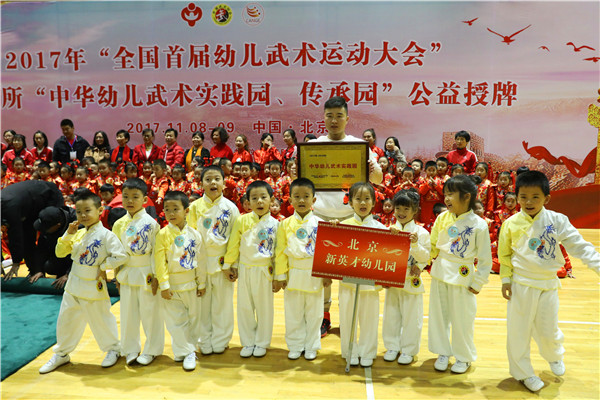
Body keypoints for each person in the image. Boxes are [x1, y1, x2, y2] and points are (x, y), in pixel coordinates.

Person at [498, 171, 599, 392]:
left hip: (548, 284)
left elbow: (579, 245)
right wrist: (505, 279)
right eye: (523, 197)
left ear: (547, 198)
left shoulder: (557, 220)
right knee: (518, 331)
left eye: (535, 197)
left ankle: (554, 355)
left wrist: (597, 264)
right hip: (521, 284)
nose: (529, 202)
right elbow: (504, 255)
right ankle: (524, 373)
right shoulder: (511, 224)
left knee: (548, 328)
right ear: (516, 197)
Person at [311, 96, 383, 337]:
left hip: (351, 218)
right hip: (321, 215)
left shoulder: (358, 146)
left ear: (347, 118)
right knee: (322, 274)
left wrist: (373, 169)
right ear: (324, 118)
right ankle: (324, 317)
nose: (334, 120)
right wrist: (294, 171)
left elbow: (378, 179)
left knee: (352, 272)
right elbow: (302, 180)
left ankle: (351, 317)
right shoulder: (315, 146)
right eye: (329, 116)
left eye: (339, 116)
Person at [38, 189, 127, 373]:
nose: (83, 215)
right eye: (79, 212)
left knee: (101, 320)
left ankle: (113, 349)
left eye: (87, 210)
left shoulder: (107, 235)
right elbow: (60, 253)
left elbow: (121, 256)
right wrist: (68, 235)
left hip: (94, 284)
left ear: (100, 210)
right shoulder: (77, 233)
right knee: (66, 320)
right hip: (74, 284)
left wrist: (103, 266)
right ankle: (62, 353)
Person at [428, 175, 492, 373]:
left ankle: (463, 357)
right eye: (445, 194)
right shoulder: (442, 218)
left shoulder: (479, 224)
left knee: (463, 319)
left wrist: (478, 281)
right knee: (439, 316)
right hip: (440, 271)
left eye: (451, 194)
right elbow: (432, 245)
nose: (446, 199)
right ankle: (442, 352)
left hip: (463, 275)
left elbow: (485, 259)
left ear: (466, 197)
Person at [273, 178, 331, 360]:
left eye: (306, 196)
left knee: (314, 313)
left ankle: (312, 345)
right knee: (293, 312)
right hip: (293, 272)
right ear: (290, 200)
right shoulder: (284, 224)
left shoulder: (321, 223)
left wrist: (326, 274)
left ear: (314, 200)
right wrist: (280, 276)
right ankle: (295, 345)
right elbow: (280, 252)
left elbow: (325, 251)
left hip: (314, 272)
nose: (301, 200)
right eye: (297, 196)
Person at [187, 165, 240, 355]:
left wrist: (231, 264)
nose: (213, 183)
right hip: (200, 263)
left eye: (217, 179)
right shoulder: (194, 207)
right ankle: (204, 340)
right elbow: (190, 237)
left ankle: (221, 339)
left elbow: (235, 239)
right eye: (208, 179)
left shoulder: (231, 208)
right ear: (201, 183)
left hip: (223, 263)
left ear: (224, 183)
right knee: (202, 305)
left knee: (222, 305)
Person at [223, 180, 279, 358]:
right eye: (254, 198)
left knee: (264, 308)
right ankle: (247, 342)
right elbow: (234, 245)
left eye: (263, 197)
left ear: (272, 200)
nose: (259, 201)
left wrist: (279, 276)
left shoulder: (276, 224)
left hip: (265, 270)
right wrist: (229, 265)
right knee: (245, 307)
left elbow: (278, 252)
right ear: (248, 203)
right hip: (245, 268)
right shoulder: (242, 221)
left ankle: (262, 342)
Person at [112, 178, 163, 366]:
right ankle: (130, 349)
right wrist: (117, 276)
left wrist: (157, 276)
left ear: (145, 199)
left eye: (135, 197)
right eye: (126, 197)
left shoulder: (151, 223)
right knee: (127, 314)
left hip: (147, 272)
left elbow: (157, 252)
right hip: (126, 272)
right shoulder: (119, 224)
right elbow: (116, 253)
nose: (130, 201)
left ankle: (152, 349)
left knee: (150, 314)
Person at [154, 191, 207, 371]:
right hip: (172, 285)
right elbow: (160, 262)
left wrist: (202, 283)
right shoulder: (162, 234)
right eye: (167, 209)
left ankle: (186, 350)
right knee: (175, 322)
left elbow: (201, 260)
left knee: (193, 319)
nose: (171, 213)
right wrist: (164, 285)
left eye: (175, 209)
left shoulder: (195, 235)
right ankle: (188, 352)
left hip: (191, 283)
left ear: (186, 210)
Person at [337, 182, 385, 367]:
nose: (362, 203)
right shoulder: (342, 226)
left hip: (370, 284)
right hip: (347, 282)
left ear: (374, 202)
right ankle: (349, 351)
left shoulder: (381, 229)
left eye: (367, 199)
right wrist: (333, 231)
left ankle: (367, 352)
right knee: (347, 319)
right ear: (350, 202)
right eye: (358, 199)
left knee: (369, 320)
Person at [382, 189, 431, 365]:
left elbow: (426, 257)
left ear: (415, 210)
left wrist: (416, 249)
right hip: (393, 278)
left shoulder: (421, 233)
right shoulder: (388, 230)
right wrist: (383, 276)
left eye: (406, 209)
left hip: (411, 279)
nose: (401, 213)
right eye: (398, 208)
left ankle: (409, 350)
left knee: (412, 317)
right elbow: (382, 254)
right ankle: (392, 347)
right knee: (391, 315)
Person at [1, 180, 64, 280]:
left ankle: (62, 272)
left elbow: (15, 236)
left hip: (49, 198)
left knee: (49, 236)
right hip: (29, 207)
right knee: (27, 239)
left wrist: (16, 262)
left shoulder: (9, 207)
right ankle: (35, 271)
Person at [31, 206, 77, 288]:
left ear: (57, 225)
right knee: (49, 267)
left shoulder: (78, 225)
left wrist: (69, 274)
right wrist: (39, 270)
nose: (43, 230)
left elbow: (82, 254)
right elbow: (41, 249)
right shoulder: (48, 221)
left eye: (45, 229)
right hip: (59, 253)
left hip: (79, 257)